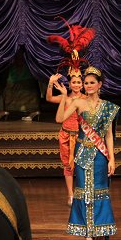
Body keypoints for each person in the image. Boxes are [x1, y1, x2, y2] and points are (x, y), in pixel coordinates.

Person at [53, 65, 118, 240]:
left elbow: (108, 136)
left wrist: (112, 159)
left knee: (99, 193)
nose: (88, 86)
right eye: (86, 83)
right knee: (84, 194)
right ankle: (88, 236)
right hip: (82, 154)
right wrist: (64, 97)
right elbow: (59, 119)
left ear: (99, 85)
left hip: (100, 156)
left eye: (91, 83)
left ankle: (100, 233)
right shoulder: (78, 103)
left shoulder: (107, 107)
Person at [46, 73, 83, 206]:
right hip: (66, 135)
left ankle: (81, 192)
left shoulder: (86, 99)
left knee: (82, 165)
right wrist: (51, 82)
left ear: (82, 84)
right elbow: (49, 98)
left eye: (79, 82)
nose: (76, 85)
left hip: (80, 137)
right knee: (68, 166)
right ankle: (70, 194)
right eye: (74, 82)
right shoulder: (65, 98)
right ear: (70, 84)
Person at [0, 50, 41, 121]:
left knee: (25, 94)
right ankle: (33, 112)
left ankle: (4, 111)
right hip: (21, 76)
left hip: (20, 77)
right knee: (26, 94)